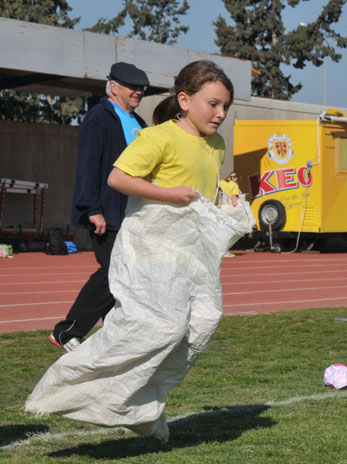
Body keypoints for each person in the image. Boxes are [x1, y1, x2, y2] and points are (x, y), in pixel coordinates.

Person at [26, 61, 251, 442]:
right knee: (162, 327)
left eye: (226, 107)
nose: (221, 114)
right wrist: (170, 195)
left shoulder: (216, 144)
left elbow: (203, 191)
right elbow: (117, 178)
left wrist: (227, 199)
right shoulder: (158, 137)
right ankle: (68, 381)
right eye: (213, 104)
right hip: (152, 248)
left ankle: (141, 405)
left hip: (192, 253)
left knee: (204, 321)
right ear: (184, 99)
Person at [50, 62, 149, 352]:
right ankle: (67, 331)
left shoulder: (139, 122)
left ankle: (113, 330)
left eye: (141, 88)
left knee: (126, 274)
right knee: (114, 271)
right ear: (113, 86)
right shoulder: (99, 117)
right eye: (132, 86)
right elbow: (88, 165)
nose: (138, 92)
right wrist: (93, 208)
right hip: (106, 211)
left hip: (131, 213)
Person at [218, 172, 241, 257]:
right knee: (227, 230)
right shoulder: (234, 185)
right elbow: (234, 199)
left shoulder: (221, 182)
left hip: (218, 207)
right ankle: (225, 250)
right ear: (236, 178)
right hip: (227, 208)